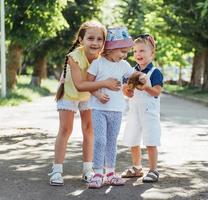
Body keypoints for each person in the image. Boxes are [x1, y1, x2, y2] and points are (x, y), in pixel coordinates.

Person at [48, 21, 121, 186]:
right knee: (66, 129)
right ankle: (57, 170)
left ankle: (89, 170)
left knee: (89, 130)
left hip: (88, 95)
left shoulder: (103, 59)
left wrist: (99, 91)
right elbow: (80, 84)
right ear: (81, 40)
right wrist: (104, 85)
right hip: (69, 92)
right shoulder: (74, 57)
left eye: (99, 39)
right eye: (90, 38)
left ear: (104, 42)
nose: (95, 43)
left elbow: (97, 80)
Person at [87, 27, 134, 189]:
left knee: (112, 142)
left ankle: (111, 173)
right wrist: (98, 94)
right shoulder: (97, 63)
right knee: (100, 140)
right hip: (99, 110)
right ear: (111, 48)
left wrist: (138, 79)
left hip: (117, 110)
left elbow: (133, 76)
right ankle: (97, 173)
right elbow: (89, 84)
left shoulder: (124, 64)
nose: (125, 55)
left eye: (126, 52)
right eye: (122, 51)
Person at [122, 34, 163, 183]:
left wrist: (146, 87)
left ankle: (153, 170)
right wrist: (127, 90)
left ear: (152, 53)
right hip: (134, 111)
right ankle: (137, 167)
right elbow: (128, 92)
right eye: (135, 51)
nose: (138, 54)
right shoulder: (131, 71)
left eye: (142, 51)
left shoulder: (155, 72)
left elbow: (157, 92)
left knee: (151, 140)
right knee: (133, 139)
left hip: (149, 111)